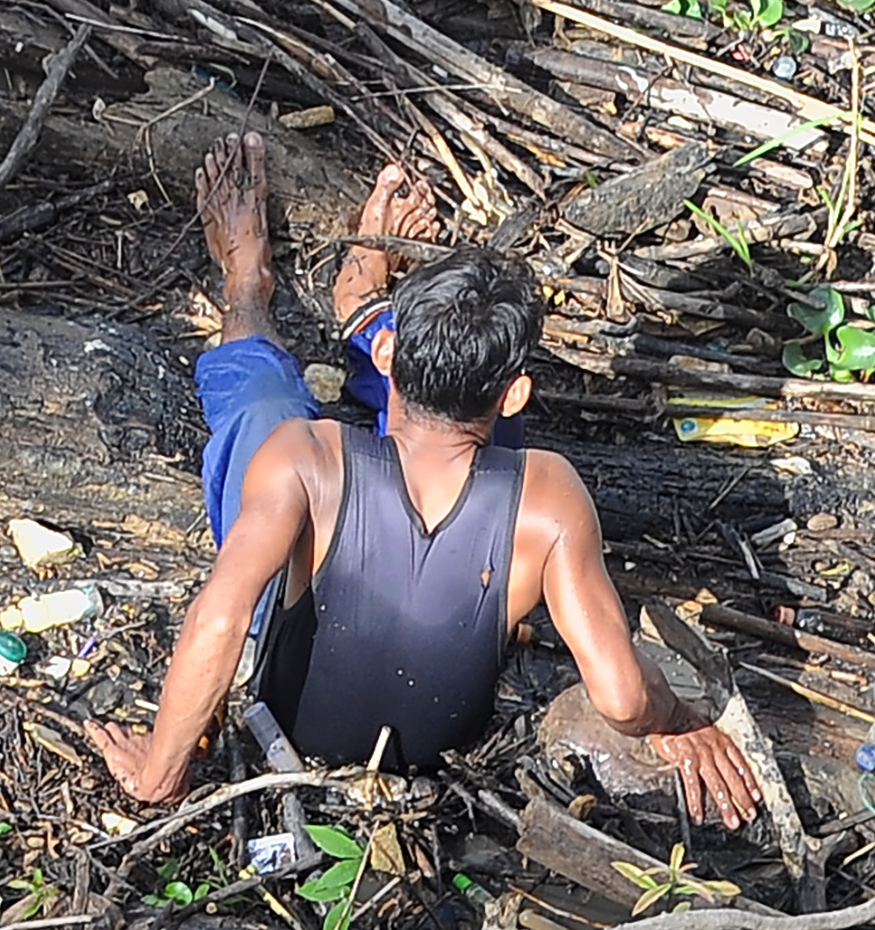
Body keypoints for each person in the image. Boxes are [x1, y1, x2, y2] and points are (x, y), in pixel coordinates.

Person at [83, 133, 762, 826]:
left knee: (261, 399)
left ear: (388, 353)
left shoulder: (305, 457)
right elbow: (622, 697)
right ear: (518, 395)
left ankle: (250, 289)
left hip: (289, 721)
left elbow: (223, 616)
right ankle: (363, 301)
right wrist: (676, 719)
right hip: (440, 755)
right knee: (475, 439)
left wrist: (161, 774)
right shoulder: (548, 498)